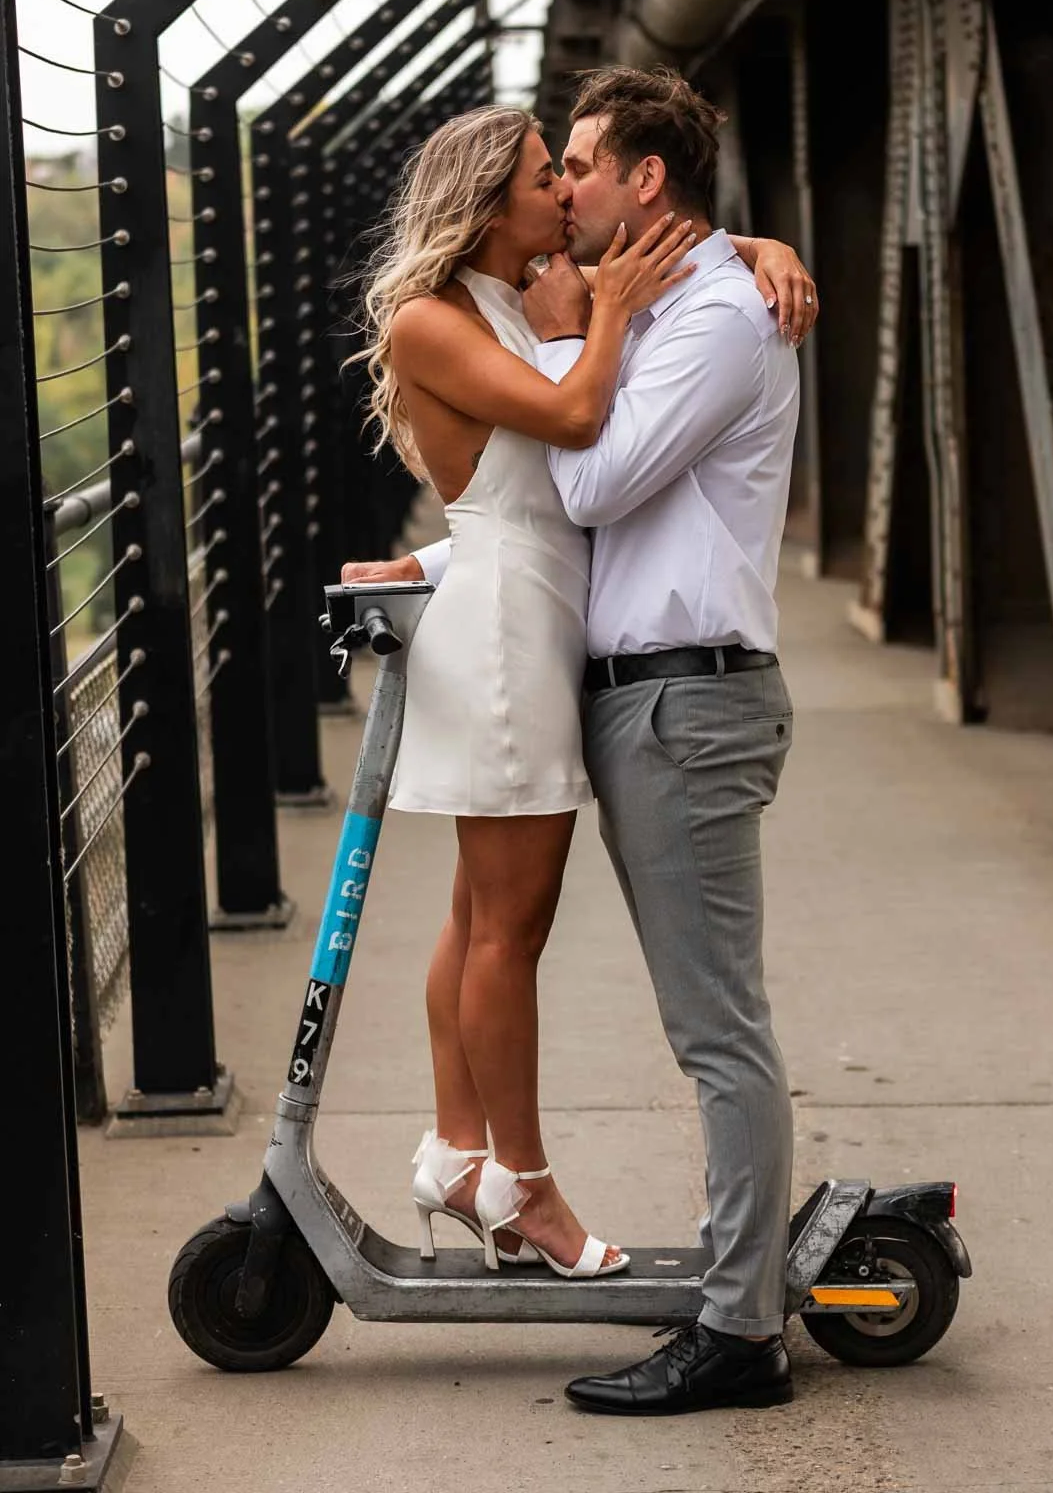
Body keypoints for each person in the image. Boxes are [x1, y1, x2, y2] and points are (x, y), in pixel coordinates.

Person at [349, 96, 814, 1296]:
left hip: (531, 613)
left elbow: (658, 270)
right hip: (509, 637)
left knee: (479, 917)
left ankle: (460, 1154)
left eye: (574, 169)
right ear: (487, 201)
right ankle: (525, 1184)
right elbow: (570, 428)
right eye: (544, 174)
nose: (563, 191)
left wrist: (755, 247)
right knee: (506, 929)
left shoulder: (522, 296)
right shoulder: (437, 318)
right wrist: (597, 320)